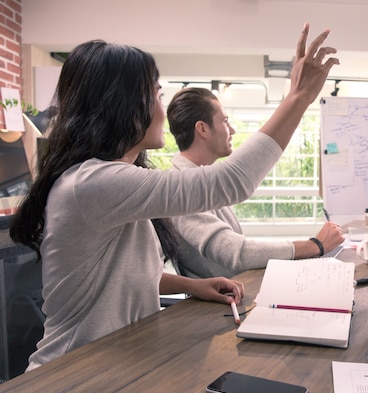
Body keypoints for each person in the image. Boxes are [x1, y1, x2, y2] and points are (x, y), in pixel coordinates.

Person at [9, 23, 339, 369]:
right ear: (121, 105)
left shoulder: (109, 182)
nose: (162, 112)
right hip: (72, 374)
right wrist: (298, 97)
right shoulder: (92, 182)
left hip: (114, 362)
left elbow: (121, 276)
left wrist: (191, 285)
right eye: (156, 95)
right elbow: (232, 181)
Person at [166, 87, 344, 278]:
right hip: (217, 304)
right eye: (225, 121)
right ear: (202, 129)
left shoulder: (202, 179)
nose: (232, 130)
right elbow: (235, 252)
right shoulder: (181, 189)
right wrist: (314, 245)